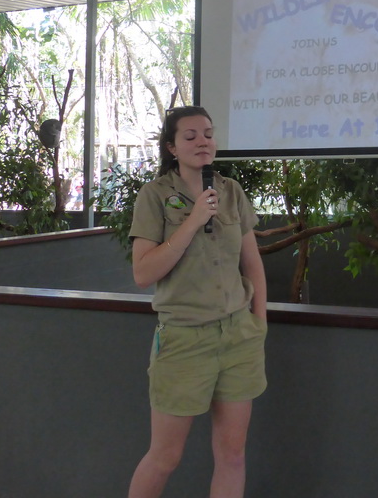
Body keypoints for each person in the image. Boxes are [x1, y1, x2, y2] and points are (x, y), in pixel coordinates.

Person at [127, 106, 268, 498]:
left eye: (208, 133)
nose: (202, 141)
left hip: (239, 336)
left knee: (232, 455)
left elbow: (252, 263)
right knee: (166, 456)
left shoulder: (231, 191)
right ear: (172, 147)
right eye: (190, 136)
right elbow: (143, 273)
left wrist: (259, 323)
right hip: (185, 339)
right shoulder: (154, 196)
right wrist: (191, 222)